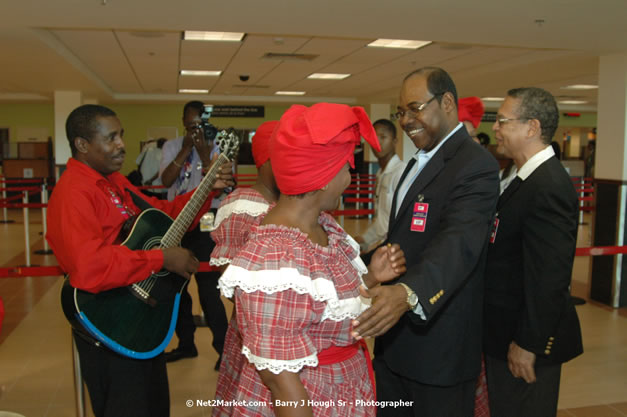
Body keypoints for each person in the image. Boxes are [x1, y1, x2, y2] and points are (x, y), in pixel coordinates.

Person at [217, 103, 406, 417]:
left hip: (342, 391)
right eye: (346, 167)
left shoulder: (322, 227)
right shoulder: (275, 259)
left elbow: (323, 305)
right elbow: (281, 383)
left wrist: (370, 277)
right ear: (323, 176)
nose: (351, 175)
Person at [46, 104, 233, 417]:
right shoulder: (73, 193)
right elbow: (89, 266)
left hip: (141, 320)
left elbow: (164, 217)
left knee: (154, 405)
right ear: (82, 145)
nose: (121, 144)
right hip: (110, 323)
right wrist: (161, 258)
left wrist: (206, 189)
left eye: (121, 135)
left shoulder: (115, 182)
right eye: (111, 138)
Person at [351, 67, 500, 417]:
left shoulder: (476, 164)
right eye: (401, 112)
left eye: (415, 108)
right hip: (395, 342)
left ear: (447, 102)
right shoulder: (417, 162)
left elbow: (458, 242)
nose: (406, 120)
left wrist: (407, 293)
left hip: (440, 349)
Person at [483, 87, 583, 417]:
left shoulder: (549, 186)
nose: (495, 128)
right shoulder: (523, 179)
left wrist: (528, 344)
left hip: (526, 343)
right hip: (505, 332)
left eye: (502, 121)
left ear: (532, 127)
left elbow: (549, 277)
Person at [210, 120, 280, 417]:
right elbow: (229, 282)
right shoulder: (241, 203)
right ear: (266, 161)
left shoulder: (288, 203)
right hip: (254, 333)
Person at [159, 100, 228, 369]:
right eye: (191, 126)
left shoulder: (218, 147)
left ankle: (223, 350)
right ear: (183, 123)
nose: (196, 130)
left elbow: (218, 183)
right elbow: (166, 180)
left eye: (200, 126)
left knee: (209, 289)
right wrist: (187, 147)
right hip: (177, 220)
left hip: (206, 221)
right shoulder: (171, 146)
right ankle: (185, 344)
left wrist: (202, 149)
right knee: (177, 289)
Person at [354, 119, 405, 258]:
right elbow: (382, 220)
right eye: (374, 138)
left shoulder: (401, 173)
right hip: (382, 245)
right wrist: (363, 239)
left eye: (383, 137)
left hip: (395, 249)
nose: (378, 142)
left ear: (395, 141)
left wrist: (379, 246)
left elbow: (403, 220)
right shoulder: (380, 174)